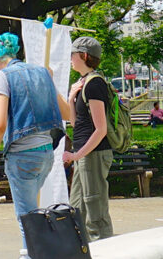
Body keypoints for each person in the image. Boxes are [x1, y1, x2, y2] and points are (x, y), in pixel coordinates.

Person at [0, 33, 70, 259]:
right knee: (33, 213)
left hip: (22, 155)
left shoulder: (2, 77)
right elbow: (68, 113)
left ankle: (30, 256)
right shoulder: (41, 73)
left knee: (27, 218)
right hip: (46, 153)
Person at [62, 36, 114, 241]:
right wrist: (71, 98)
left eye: (72, 55)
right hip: (84, 154)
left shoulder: (95, 84)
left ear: (83, 55)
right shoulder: (83, 85)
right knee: (77, 208)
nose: (70, 60)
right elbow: (78, 125)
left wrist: (77, 155)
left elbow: (101, 129)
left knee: (95, 211)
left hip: (95, 153)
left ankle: (105, 248)